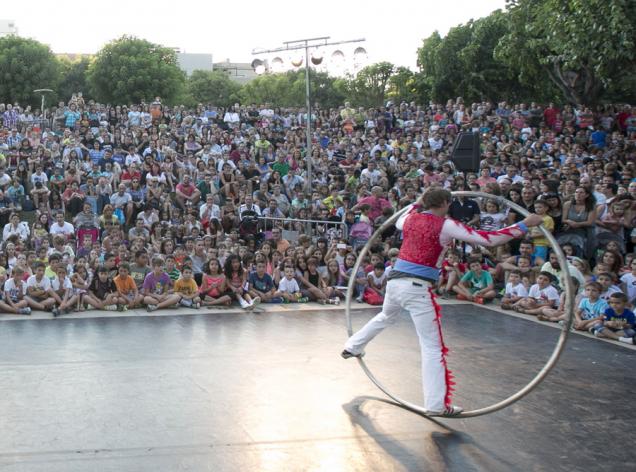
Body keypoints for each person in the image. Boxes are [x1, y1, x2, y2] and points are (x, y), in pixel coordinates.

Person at [342, 187, 544, 417]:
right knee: (432, 347)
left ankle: (353, 345)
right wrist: (525, 223)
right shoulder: (445, 224)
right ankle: (436, 404)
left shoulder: (408, 218)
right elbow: (489, 239)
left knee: (387, 316)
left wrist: (417, 203)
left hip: (396, 283)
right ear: (446, 203)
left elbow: (403, 216)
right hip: (417, 288)